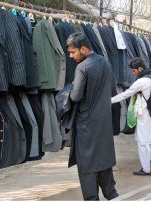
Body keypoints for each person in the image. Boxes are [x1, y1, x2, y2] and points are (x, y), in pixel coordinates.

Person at [66, 32, 118, 200]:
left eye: (73, 52)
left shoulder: (83, 67)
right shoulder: (106, 62)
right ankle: (112, 195)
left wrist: (69, 89)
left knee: (87, 163)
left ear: (83, 48)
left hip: (86, 125)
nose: (71, 55)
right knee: (104, 160)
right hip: (104, 121)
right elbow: (111, 89)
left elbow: (75, 96)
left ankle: (92, 198)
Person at [111, 58, 151, 176]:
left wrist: (109, 100)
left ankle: (146, 168)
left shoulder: (142, 81)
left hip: (144, 114)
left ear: (140, 69)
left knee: (142, 141)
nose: (133, 73)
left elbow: (125, 94)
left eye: (134, 71)